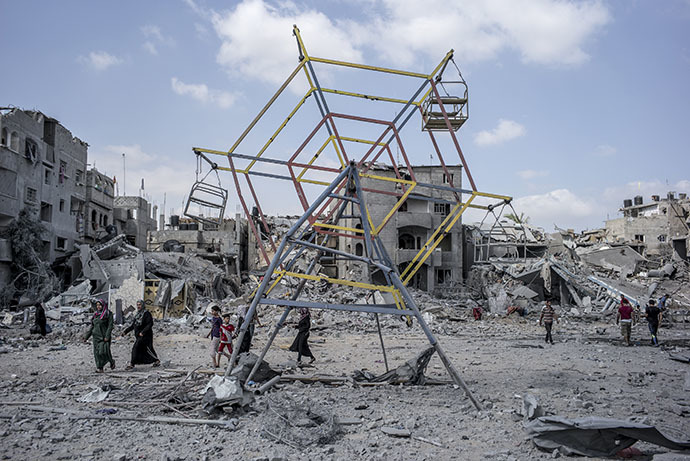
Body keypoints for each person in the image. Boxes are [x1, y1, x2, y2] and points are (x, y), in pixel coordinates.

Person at [123, 300, 160, 370]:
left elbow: (150, 324)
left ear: (142, 305)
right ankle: (156, 360)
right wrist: (125, 331)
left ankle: (132, 364)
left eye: (139, 305)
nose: (138, 306)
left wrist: (143, 332)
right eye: (137, 305)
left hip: (146, 335)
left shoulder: (147, 314)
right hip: (139, 335)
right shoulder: (137, 314)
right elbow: (133, 325)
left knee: (137, 348)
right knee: (146, 349)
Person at [84, 299, 115, 373]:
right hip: (96, 337)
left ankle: (111, 361)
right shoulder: (95, 315)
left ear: (103, 305)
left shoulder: (108, 314)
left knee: (103, 352)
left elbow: (110, 326)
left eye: (100, 305)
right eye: (97, 305)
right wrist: (86, 337)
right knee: (97, 353)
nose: (98, 307)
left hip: (104, 337)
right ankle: (99, 368)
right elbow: (92, 327)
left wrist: (107, 336)